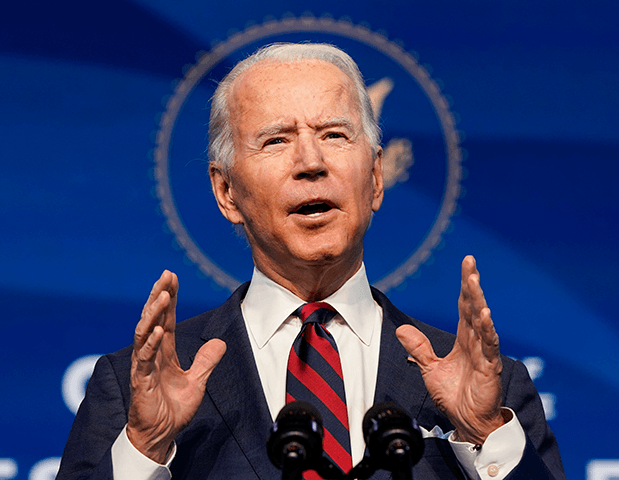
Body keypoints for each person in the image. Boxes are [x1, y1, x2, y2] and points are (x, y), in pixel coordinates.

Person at [56, 43, 565, 480]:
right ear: (226, 191)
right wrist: (146, 447)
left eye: (334, 135)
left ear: (375, 178)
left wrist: (484, 434)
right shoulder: (130, 391)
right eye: (276, 139)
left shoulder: (491, 390)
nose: (311, 162)